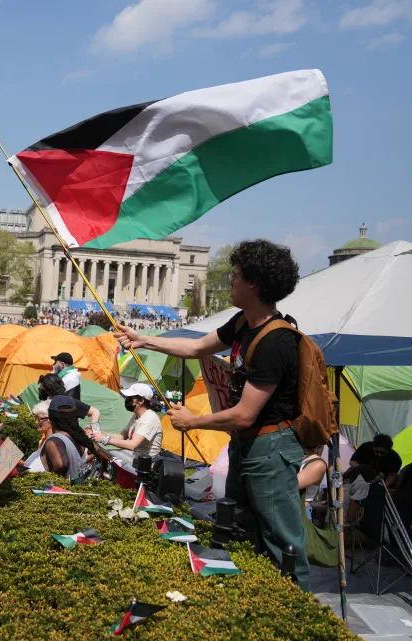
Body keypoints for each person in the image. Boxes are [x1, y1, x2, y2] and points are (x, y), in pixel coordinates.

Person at [116, 239, 311, 591]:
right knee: (240, 527)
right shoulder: (243, 323)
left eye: (235, 274)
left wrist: (193, 421)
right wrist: (143, 340)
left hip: (269, 447)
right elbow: (194, 347)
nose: (230, 280)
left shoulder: (275, 342)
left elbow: (245, 415)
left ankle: (299, 610)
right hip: (246, 447)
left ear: (253, 282)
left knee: (283, 542)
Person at [90, 383, 163, 465]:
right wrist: (100, 433)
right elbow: (121, 437)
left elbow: (132, 445)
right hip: (138, 461)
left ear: (141, 401)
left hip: (149, 466)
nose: (127, 399)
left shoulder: (149, 418)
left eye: (130, 398)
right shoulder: (136, 416)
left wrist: (105, 439)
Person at [37, 396, 97, 481]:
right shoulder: (75, 437)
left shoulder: (54, 441)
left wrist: (50, 481)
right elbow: (96, 449)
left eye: (39, 419)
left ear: (50, 418)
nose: (36, 422)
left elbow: (61, 465)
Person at [36, 374, 101, 424]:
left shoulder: (70, 402)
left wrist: (94, 430)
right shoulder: (44, 405)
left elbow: (95, 412)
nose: (40, 391)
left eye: (41, 389)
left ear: (49, 388)